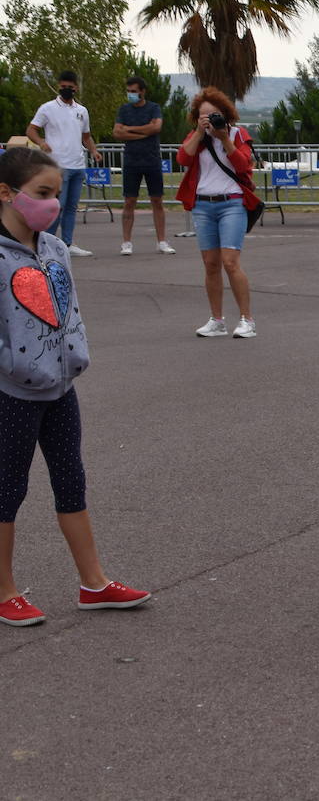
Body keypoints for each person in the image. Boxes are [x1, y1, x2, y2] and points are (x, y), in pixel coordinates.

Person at [0, 148, 151, 627]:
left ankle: (94, 584)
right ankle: (3, 590)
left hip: (61, 390)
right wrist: (16, 368)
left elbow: (71, 313)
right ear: (6, 194)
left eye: (56, 193)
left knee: (72, 482)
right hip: (12, 396)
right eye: (42, 194)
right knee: (7, 492)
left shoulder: (56, 249)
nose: (53, 203)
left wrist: (75, 355)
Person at [174, 87, 260, 339]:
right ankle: (217, 320)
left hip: (231, 203)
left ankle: (247, 320)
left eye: (214, 115)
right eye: (204, 116)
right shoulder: (197, 138)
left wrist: (224, 138)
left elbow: (243, 165)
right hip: (203, 205)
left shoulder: (237, 134)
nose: (210, 119)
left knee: (230, 262)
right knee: (210, 265)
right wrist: (201, 132)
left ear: (226, 113)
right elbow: (183, 158)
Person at [25, 71, 101, 256]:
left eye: (70, 86)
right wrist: (41, 142)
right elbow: (31, 129)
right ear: (59, 86)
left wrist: (93, 150)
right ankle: (46, 244)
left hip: (77, 164)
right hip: (58, 165)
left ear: (76, 87)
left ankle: (67, 243)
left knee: (71, 206)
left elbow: (86, 136)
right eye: (63, 86)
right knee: (57, 206)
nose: (67, 89)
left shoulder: (81, 111)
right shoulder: (48, 108)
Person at [114, 75, 174, 256]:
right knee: (129, 201)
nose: (131, 94)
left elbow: (156, 128)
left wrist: (130, 129)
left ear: (142, 91)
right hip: (131, 161)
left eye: (134, 91)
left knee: (157, 200)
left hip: (152, 160)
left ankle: (162, 241)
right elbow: (117, 132)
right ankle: (126, 242)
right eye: (129, 91)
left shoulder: (153, 108)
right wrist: (143, 131)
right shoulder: (123, 110)